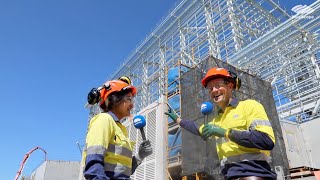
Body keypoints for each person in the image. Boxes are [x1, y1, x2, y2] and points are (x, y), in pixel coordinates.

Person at [165, 67, 276, 180]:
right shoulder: (217, 120)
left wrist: (225, 133)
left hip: (255, 175)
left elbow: (266, 140)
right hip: (229, 176)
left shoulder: (249, 106)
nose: (213, 90)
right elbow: (196, 128)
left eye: (218, 85)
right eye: (210, 88)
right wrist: (177, 119)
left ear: (230, 86)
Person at [82, 78, 153, 180]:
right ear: (115, 99)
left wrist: (140, 156)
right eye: (128, 99)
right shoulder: (104, 120)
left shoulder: (120, 128)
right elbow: (94, 168)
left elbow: (123, 171)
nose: (132, 105)